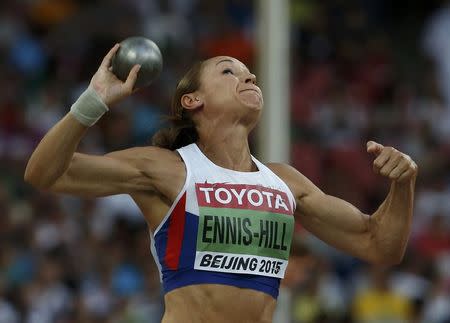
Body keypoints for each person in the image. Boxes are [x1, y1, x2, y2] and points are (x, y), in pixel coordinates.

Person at [24, 44, 418, 323]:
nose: (248, 76)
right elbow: (44, 173)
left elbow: (380, 244)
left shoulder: (283, 181)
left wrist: (403, 184)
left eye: (249, 73)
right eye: (228, 71)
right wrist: (94, 101)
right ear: (192, 101)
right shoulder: (167, 169)